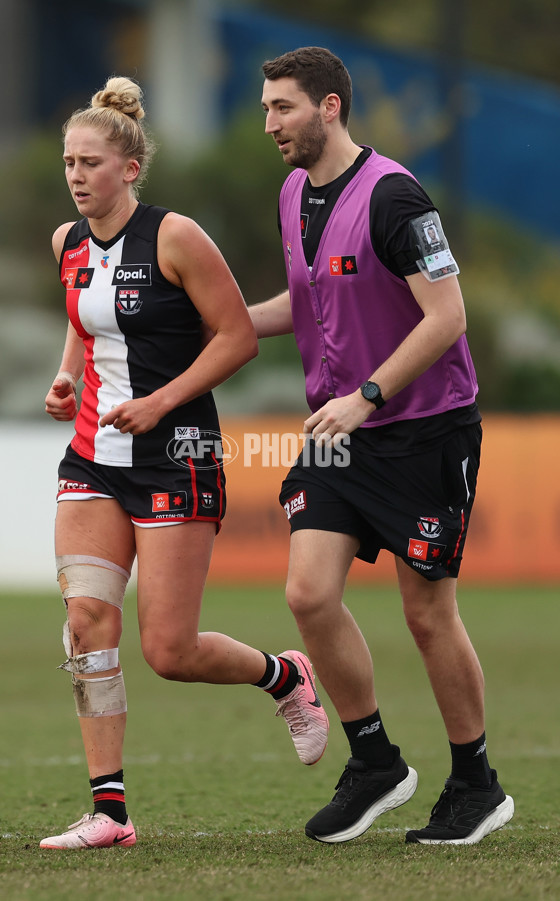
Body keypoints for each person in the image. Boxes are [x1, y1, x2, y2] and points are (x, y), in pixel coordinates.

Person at [40, 76, 328, 850]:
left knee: (169, 649)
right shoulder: (68, 244)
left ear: (129, 168)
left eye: (90, 162)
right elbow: (83, 321)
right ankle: (111, 812)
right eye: (68, 161)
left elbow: (234, 336)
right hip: (94, 456)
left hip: (178, 457)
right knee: (86, 622)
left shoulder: (176, 237)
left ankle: (285, 675)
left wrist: (162, 402)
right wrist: (67, 375)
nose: (75, 175)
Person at [252, 46, 514, 845]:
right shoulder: (294, 194)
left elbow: (448, 317)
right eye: (266, 109)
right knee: (307, 593)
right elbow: (297, 306)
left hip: (423, 430)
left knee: (427, 613)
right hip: (342, 433)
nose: (271, 124)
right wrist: (199, 319)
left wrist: (366, 396)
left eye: (284, 108)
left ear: (330, 107)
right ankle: (376, 764)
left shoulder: (397, 197)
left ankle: (476, 784)